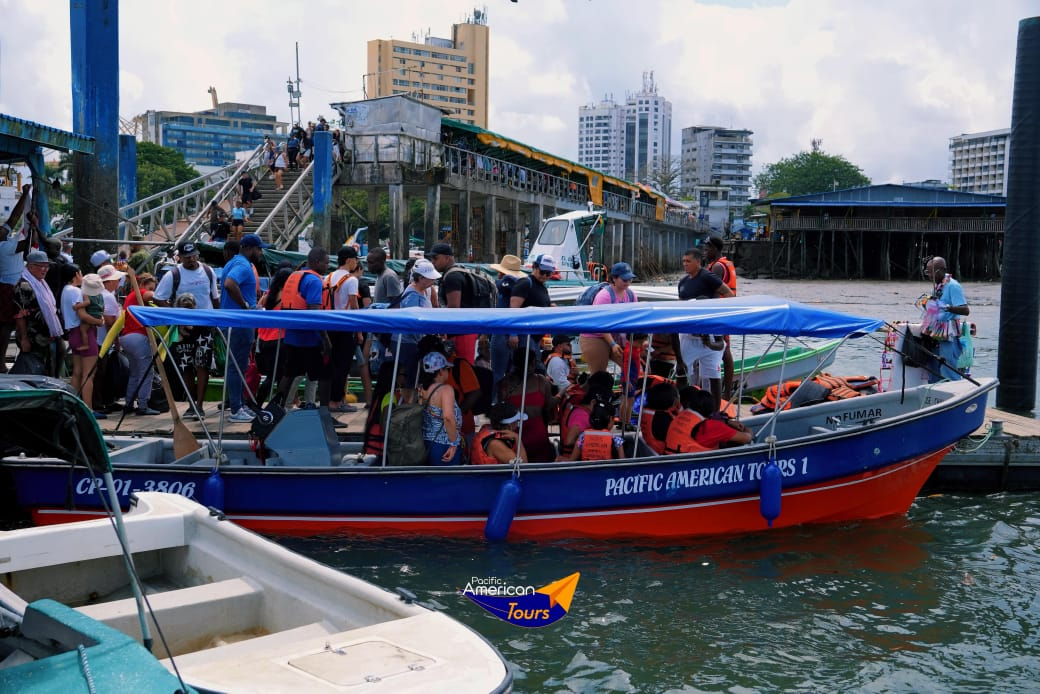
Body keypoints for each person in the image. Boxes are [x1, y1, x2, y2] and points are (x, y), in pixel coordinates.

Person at [271, 247, 332, 411]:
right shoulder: (314, 281)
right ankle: (325, 412)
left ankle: (278, 408)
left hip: (291, 336)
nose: (328, 266)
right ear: (317, 262)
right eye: (326, 263)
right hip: (309, 340)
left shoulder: (294, 275)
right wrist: (326, 341)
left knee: (289, 375)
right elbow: (315, 313)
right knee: (323, 375)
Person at [220, 235, 264, 422]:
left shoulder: (233, 262)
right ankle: (236, 409)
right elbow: (230, 284)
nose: (261, 253)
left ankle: (239, 405)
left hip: (232, 321)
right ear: (250, 249)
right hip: (239, 322)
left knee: (237, 365)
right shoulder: (244, 265)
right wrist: (245, 305)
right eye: (259, 249)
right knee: (237, 366)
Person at [393, 258, 441, 403]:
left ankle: (412, 403)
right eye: (430, 278)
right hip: (408, 342)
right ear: (420, 278)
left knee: (415, 376)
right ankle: (408, 405)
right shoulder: (412, 294)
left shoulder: (425, 290)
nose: (433, 281)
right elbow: (412, 323)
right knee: (410, 376)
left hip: (416, 341)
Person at [498, 346, 557, 463]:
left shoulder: (505, 383)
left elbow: (501, 412)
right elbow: (548, 406)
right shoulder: (541, 381)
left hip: (526, 435)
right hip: (522, 436)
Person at [579, 261, 638, 375]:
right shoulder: (604, 296)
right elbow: (600, 323)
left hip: (615, 335)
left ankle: (627, 391)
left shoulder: (631, 295)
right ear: (614, 279)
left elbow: (634, 319)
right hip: (595, 336)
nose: (628, 282)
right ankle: (581, 389)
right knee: (599, 375)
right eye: (625, 279)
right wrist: (612, 344)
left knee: (634, 368)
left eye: (630, 279)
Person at [61, 267, 105, 418]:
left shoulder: (66, 290)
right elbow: (83, 315)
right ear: (76, 275)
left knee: (77, 372)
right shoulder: (76, 291)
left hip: (73, 334)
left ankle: (73, 405)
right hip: (85, 332)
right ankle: (89, 410)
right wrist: (99, 322)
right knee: (88, 374)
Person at [1, 184, 35, 372]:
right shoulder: (5, 248)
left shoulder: (3, 240)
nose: (4, 228)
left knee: (7, 324)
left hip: (4, 285)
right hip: (10, 288)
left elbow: (13, 218)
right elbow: (28, 242)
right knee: (9, 325)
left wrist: (25, 195)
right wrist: (33, 223)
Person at [12, 250, 63, 376]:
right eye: (42, 266)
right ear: (30, 267)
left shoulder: (41, 283)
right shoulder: (24, 286)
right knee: (34, 369)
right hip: (32, 337)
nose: (45, 269)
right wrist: (24, 339)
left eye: (47, 266)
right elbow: (20, 315)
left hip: (45, 337)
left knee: (47, 368)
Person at [921, 256, 971, 381]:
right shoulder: (937, 286)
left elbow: (965, 310)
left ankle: (955, 396)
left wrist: (947, 307)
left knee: (948, 371)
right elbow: (935, 309)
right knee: (933, 372)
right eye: (927, 272)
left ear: (942, 270)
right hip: (935, 334)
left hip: (948, 336)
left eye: (931, 272)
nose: (929, 276)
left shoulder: (953, 285)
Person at [429, 241, 478, 365]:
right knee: (462, 369)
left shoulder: (452, 277)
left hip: (461, 332)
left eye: (435, 258)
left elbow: (453, 308)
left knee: (463, 369)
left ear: (447, 258)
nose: (432, 262)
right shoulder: (459, 272)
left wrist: (444, 330)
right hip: (467, 328)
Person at [325, 246, 361, 413]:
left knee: (332, 365)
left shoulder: (327, 277)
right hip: (345, 327)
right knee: (343, 366)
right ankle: (336, 402)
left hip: (329, 326)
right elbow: (354, 307)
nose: (356, 263)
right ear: (349, 260)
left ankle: (330, 400)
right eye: (355, 259)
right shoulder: (351, 280)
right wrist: (359, 332)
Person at [120, 272, 161, 416]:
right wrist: (164, 301)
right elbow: (150, 296)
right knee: (147, 372)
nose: (152, 291)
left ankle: (129, 403)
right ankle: (143, 405)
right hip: (138, 337)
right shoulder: (140, 293)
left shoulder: (131, 297)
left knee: (135, 373)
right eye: (151, 287)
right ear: (143, 285)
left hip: (126, 337)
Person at [488, 253, 526, 395]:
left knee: (498, 372)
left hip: (501, 332)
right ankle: (509, 401)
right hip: (508, 331)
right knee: (510, 371)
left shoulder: (504, 284)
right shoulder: (515, 285)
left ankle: (494, 402)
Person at [704, 236, 737, 398]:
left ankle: (725, 394)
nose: (705, 252)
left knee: (724, 351)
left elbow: (713, 293)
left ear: (715, 249)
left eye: (707, 249)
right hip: (726, 313)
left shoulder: (717, 267)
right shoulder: (724, 264)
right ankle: (726, 391)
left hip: (721, 313)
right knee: (725, 351)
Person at [508, 252, 555, 363]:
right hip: (524, 334)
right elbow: (512, 310)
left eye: (548, 274)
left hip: (535, 337)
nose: (544, 276)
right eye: (542, 272)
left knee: (532, 368)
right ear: (534, 267)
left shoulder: (542, 287)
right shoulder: (525, 283)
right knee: (524, 368)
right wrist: (513, 334)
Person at [419, 351, 463, 466]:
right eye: (447, 368)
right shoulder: (446, 390)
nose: (448, 371)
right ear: (440, 371)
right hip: (444, 445)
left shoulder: (421, 389)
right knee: (447, 482)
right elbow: (448, 417)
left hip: (426, 443)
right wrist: (453, 443)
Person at [686, 388, 752, 449]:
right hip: (702, 458)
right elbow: (746, 438)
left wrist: (727, 422)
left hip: (683, 453)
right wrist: (747, 429)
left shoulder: (683, 417)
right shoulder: (714, 427)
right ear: (712, 410)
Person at [639, 381, 680, 455]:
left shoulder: (650, 411)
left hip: (650, 450)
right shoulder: (663, 419)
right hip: (662, 455)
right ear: (673, 401)